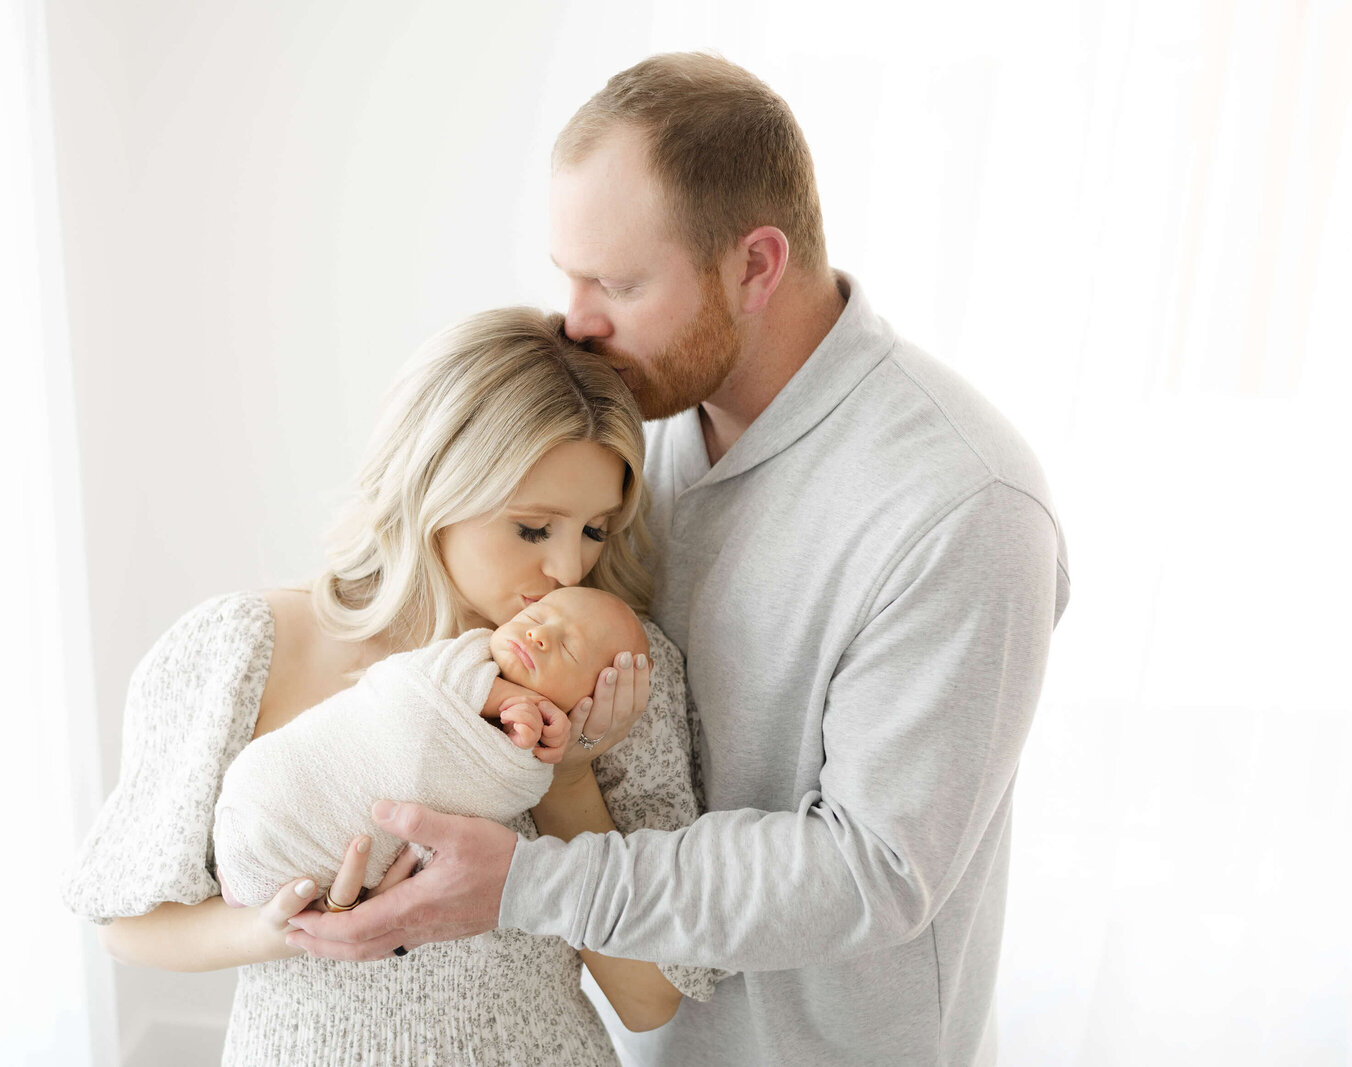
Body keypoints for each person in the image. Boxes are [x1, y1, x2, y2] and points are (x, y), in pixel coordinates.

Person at [284, 53, 1071, 1067]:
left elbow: (871, 867)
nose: (575, 320)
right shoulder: (628, 432)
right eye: (568, 273)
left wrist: (527, 882)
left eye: (616, 282)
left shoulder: (961, 504)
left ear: (755, 265)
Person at [60, 307, 723, 1065]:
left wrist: (567, 780)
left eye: (595, 529)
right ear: (433, 486)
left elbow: (648, 996)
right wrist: (278, 927)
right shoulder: (243, 651)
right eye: (534, 528)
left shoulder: (614, 673)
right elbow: (125, 920)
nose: (569, 570)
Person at [212, 587, 649, 909]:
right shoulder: (454, 664)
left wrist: (557, 753)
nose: (539, 636)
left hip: (313, 869)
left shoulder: (536, 759)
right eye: (538, 615)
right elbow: (415, 691)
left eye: (569, 649)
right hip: (272, 788)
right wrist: (504, 698)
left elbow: (500, 790)